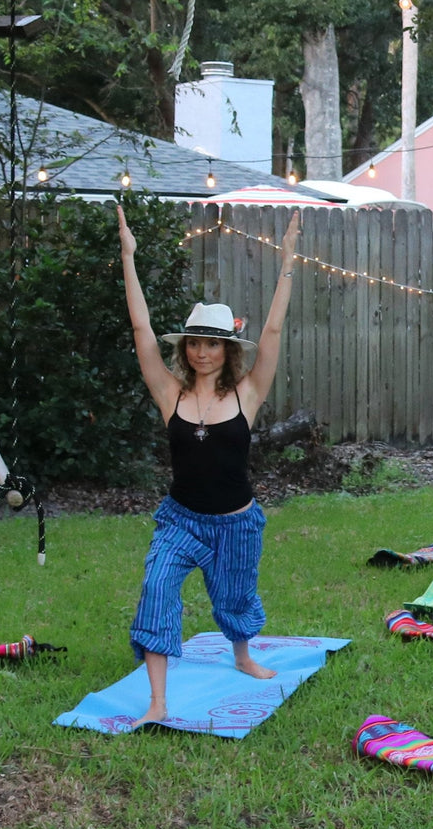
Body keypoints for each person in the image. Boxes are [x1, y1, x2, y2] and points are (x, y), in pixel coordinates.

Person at [117, 205, 302, 729]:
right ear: (187, 347)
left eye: (212, 343)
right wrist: (128, 257)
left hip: (236, 523)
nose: (202, 352)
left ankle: (242, 655)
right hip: (181, 520)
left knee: (235, 598)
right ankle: (158, 701)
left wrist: (288, 260)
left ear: (226, 349)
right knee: (157, 589)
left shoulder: (247, 394)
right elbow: (140, 327)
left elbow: (272, 330)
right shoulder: (168, 393)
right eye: (195, 343)